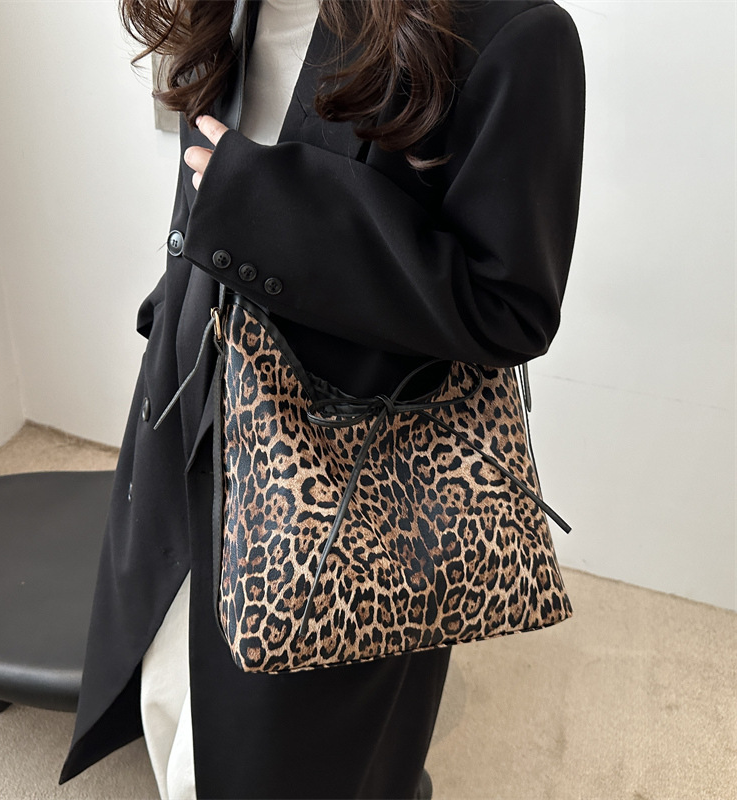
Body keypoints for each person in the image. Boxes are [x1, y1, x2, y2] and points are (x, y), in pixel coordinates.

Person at [59, 0, 585, 797]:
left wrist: (264, 204)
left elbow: (509, 304)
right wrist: (175, 309)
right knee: (168, 702)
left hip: (347, 500)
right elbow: (206, 184)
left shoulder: (512, 32)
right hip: (189, 424)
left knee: (289, 763)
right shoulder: (232, 9)